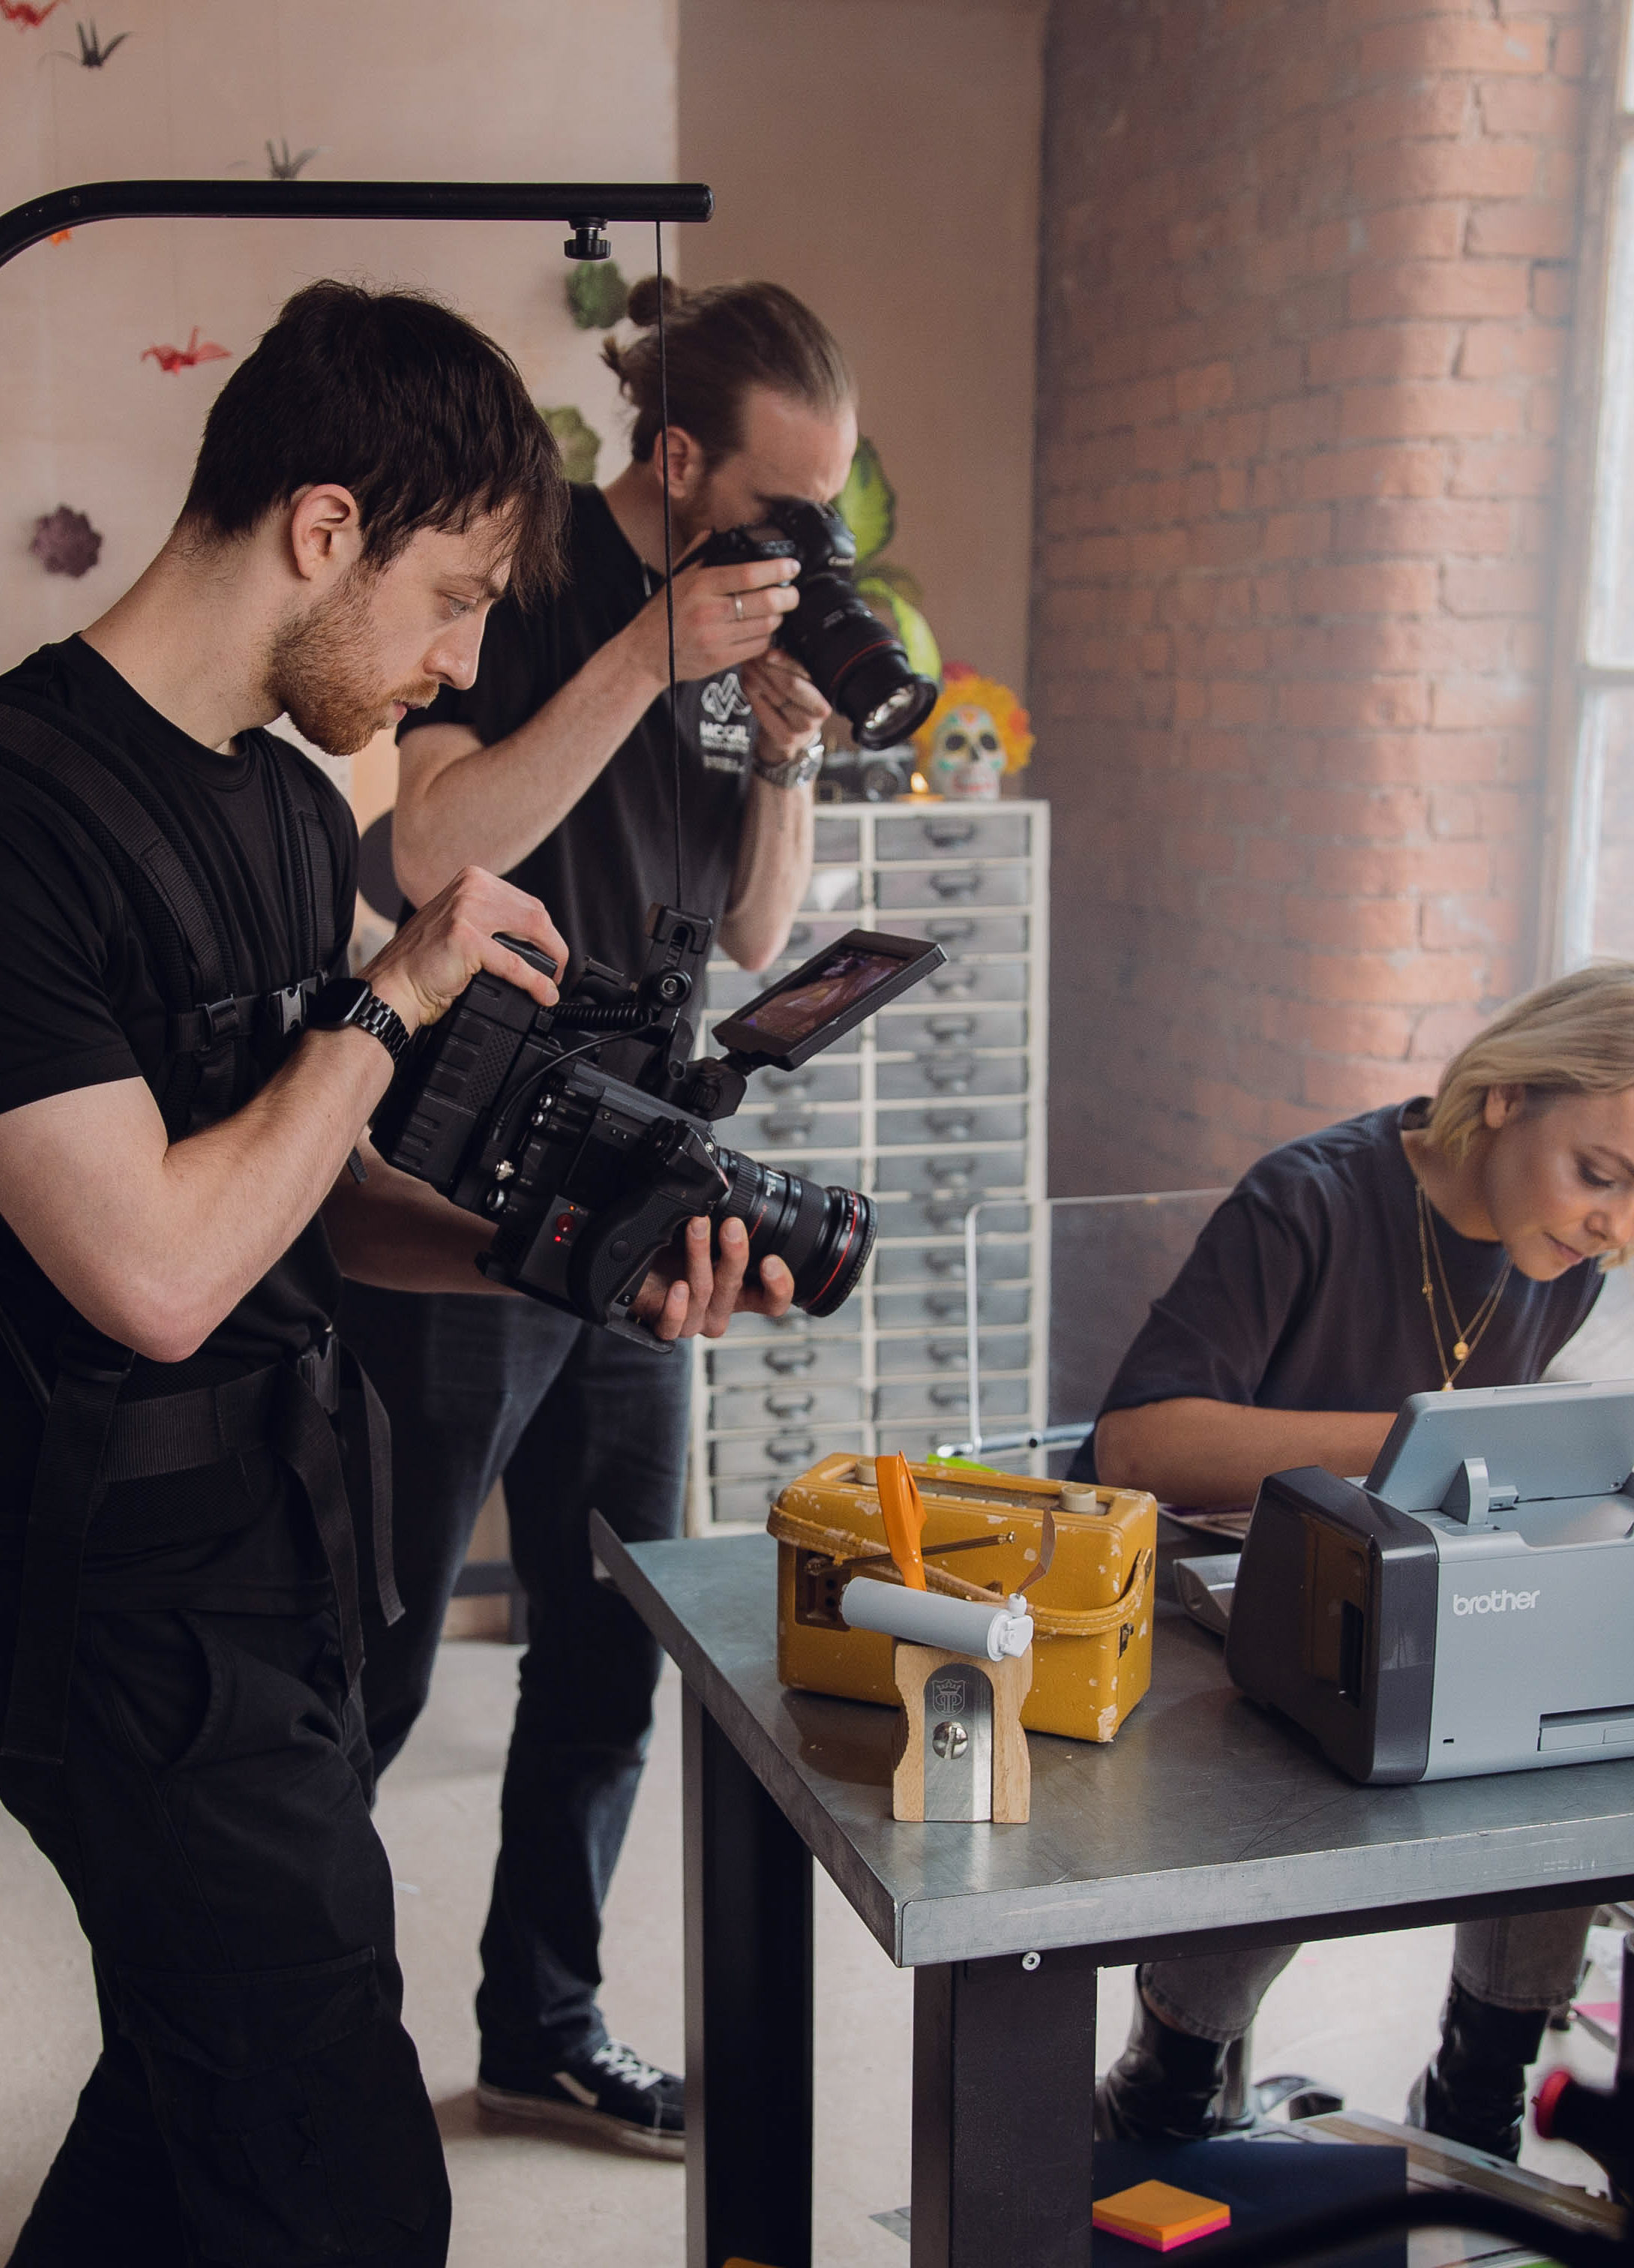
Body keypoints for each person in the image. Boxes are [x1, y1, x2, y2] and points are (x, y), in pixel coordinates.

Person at [0, 279, 790, 2268]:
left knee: (194, 2096)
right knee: (343, 2179)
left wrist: (595, 1264)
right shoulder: (23, 811)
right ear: (323, 525)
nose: (455, 659)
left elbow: (325, 1196)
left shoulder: (276, 799)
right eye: (452, 602)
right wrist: (395, 984)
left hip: (283, 1538)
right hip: (106, 1591)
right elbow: (161, 1272)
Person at [334, 274, 857, 2155]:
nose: (802, 545)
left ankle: (544, 2028)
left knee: (615, 1630)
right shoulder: (531, 581)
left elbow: (750, 939)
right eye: (778, 503)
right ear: (677, 454)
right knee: (381, 1654)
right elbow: (422, 846)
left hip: (650, 1177)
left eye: (832, 511)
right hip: (461, 1172)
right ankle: (277, 2030)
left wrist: (780, 742)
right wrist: (646, 655)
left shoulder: (747, 641)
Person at [1082, 962, 1634, 2164]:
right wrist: (1420, 1434)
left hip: (1404, 1604)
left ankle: (1478, 2092)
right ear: (1504, 1098)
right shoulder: (1309, 1200)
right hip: (1229, 1618)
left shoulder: (1562, 1252)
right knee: (1321, 1754)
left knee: (1562, 1749)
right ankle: (1170, 2077)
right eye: (1602, 1177)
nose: (1616, 1227)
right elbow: (1139, 1445)